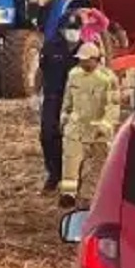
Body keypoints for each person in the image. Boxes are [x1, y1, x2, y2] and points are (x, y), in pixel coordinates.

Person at [58, 43, 121, 208]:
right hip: (76, 128)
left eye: (86, 60)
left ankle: (88, 197)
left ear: (95, 59)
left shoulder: (108, 78)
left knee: (98, 166)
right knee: (70, 162)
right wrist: (64, 117)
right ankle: (68, 195)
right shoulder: (73, 75)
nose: (83, 63)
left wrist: (105, 126)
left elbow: (113, 106)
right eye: (80, 60)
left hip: (98, 132)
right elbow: (68, 100)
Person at [38, 13, 82, 192]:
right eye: (69, 29)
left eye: (76, 29)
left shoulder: (87, 49)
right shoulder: (50, 47)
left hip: (76, 101)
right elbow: (41, 72)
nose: (72, 33)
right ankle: (54, 173)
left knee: (73, 141)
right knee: (48, 136)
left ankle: (72, 179)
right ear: (62, 30)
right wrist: (36, 94)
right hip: (53, 98)